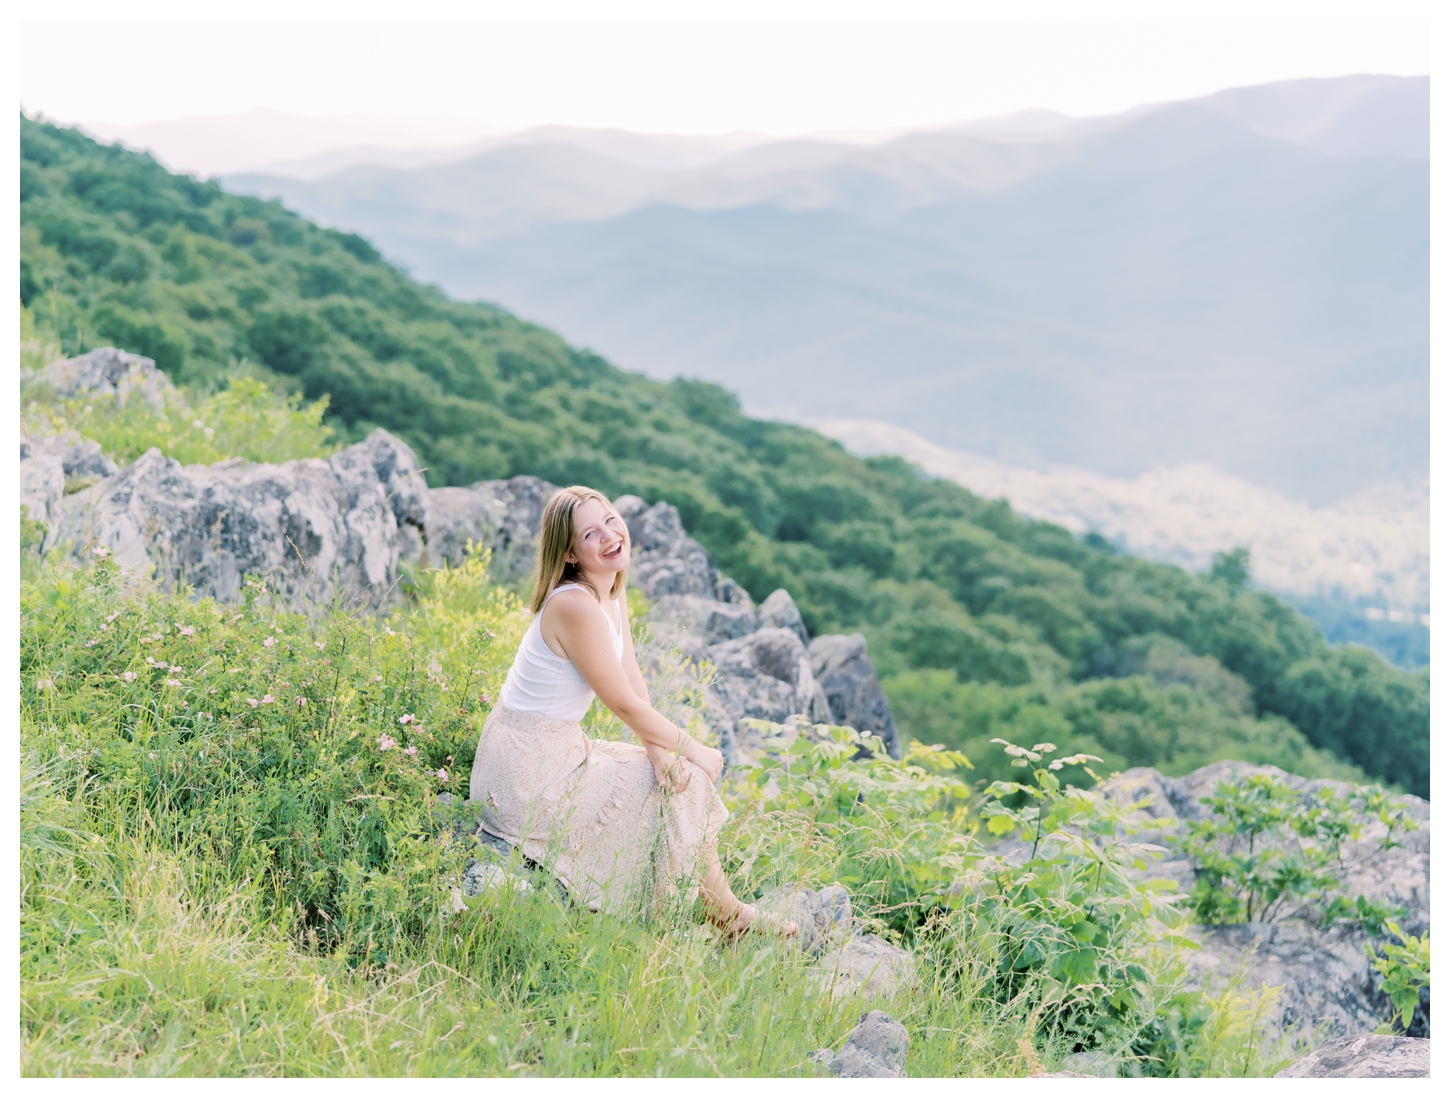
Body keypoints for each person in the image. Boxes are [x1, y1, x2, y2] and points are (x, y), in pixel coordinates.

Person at [468, 485, 797, 938]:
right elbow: (618, 702)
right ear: (568, 554)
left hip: (557, 748)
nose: (609, 535)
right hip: (525, 768)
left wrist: (661, 751)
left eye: (609, 520)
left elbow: (631, 679)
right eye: (590, 534)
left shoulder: (608, 588)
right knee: (689, 777)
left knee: (674, 776)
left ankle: (722, 911)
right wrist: (693, 747)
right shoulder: (574, 604)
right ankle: (723, 914)